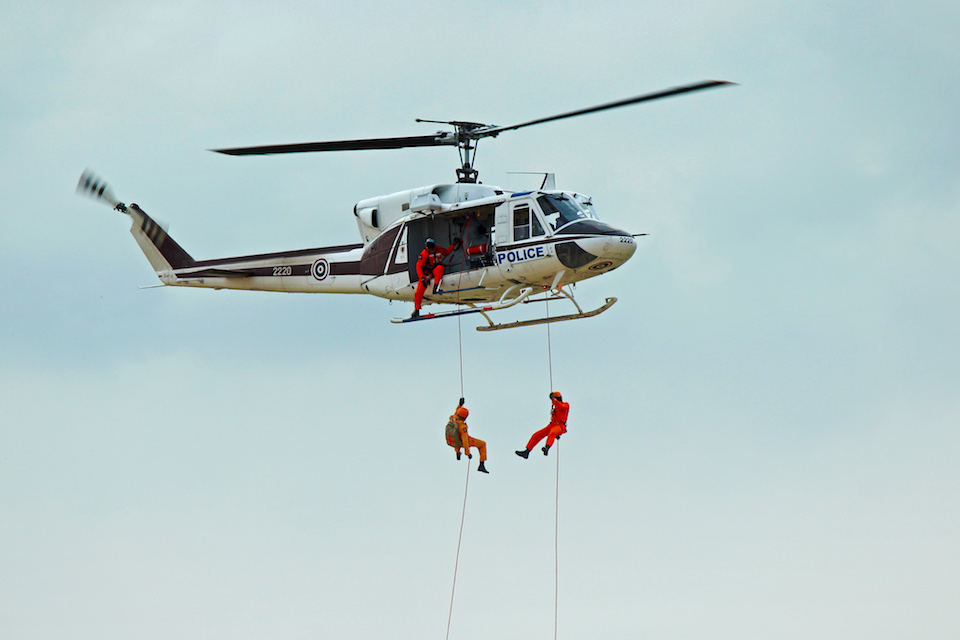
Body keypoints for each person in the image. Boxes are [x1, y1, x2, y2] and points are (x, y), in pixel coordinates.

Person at [411, 237, 460, 318]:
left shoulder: (439, 249)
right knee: (419, 292)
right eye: (430, 248)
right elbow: (418, 266)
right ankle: (416, 310)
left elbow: (447, 252)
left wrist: (453, 245)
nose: (431, 249)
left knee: (440, 268)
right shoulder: (424, 254)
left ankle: (436, 287)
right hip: (427, 274)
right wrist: (422, 278)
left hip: (436, 270)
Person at [516, 391, 569, 458]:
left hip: (560, 426)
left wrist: (553, 400)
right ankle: (527, 451)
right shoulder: (556, 407)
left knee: (552, 433)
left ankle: (547, 447)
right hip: (552, 425)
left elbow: (561, 406)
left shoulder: (566, 405)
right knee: (536, 435)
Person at [445, 397, 488, 473]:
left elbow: (456, 412)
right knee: (482, 444)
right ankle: (481, 464)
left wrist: (460, 405)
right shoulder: (463, 427)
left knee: (457, 438)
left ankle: (457, 452)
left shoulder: (453, 418)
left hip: (455, 440)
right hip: (462, 441)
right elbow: (465, 441)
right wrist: (468, 453)